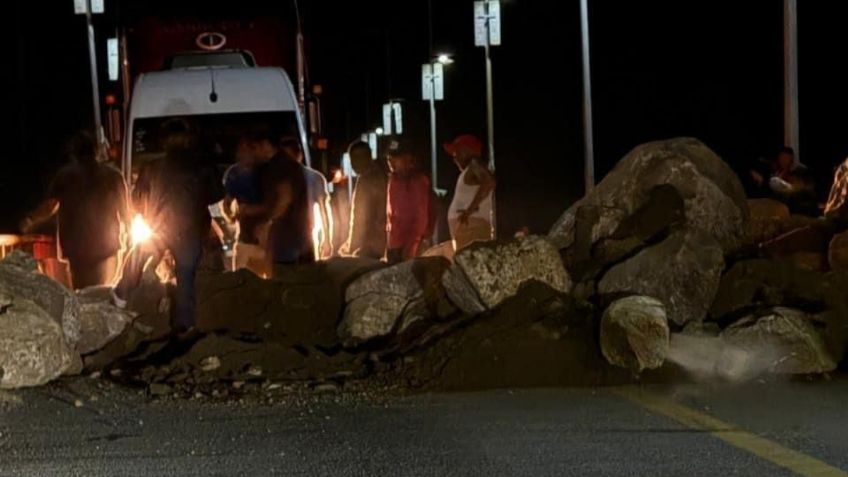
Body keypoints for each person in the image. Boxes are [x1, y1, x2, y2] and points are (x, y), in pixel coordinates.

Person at [117, 119, 223, 332]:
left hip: (159, 227)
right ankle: (185, 327)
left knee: (138, 255)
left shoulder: (152, 167)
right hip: (189, 230)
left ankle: (121, 295)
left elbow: (136, 200)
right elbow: (216, 194)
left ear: (164, 142)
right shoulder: (202, 166)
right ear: (189, 140)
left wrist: (149, 212)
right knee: (185, 277)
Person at [21, 132, 130, 289]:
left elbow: (50, 206)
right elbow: (126, 214)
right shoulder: (113, 177)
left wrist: (30, 220)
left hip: (77, 249)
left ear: (73, 154)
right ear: (96, 151)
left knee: (83, 295)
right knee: (107, 293)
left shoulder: (65, 177)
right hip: (107, 248)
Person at [243, 132, 312, 273]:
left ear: (266, 145)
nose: (254, 153)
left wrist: (267, 223)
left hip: (287, 238)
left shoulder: (280, 166)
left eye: (255, 148)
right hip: (292, 238)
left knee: (283, 280)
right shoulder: (285, 164)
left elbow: (284, 199)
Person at [279, 135, 333, 259]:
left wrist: (327, 239)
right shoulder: (277, 178)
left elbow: (324, 210)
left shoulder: (314, 177)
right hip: (281, 239)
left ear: (299, 155)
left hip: (307, 237)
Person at [221, 138, 268, 276]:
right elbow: (227, 199)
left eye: (246, 150)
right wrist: (230, 213)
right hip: (243, 230)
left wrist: (254, 210)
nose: (241, 154)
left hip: (264, 228)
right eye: (240, 150)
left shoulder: (265, 171)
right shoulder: (233, 173)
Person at [443, 134, 496, 251]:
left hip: (471, 226)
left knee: (470, 262)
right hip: (468, 226)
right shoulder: (469, 170)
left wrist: (468, 211)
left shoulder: (474, 164)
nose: (454, 157)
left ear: (466, 151)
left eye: (456, 152)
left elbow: (489, 182)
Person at [385, 139, 431, 263]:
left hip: (411, 245)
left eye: (396, 158)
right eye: (389, 158)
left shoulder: (418, 181)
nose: (391, 162)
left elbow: (421, 217)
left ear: (408, 159)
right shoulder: (393, 181)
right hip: (394, 244)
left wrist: (412, 245)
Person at [344, 140, 388, 259]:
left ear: (369, 157)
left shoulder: (369, 180)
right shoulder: (380, 174)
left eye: (359, 157)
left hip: (372, 246)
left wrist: (353, 246)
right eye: (353, 159)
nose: (355, 163)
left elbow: (362, 218)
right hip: (380, 244)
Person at [749, 146, 816, 214]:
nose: (783, 161)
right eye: (781, 158)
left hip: (795, 205)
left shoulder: (800, 172)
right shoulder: (774, 172)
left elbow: (805, 190)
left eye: (786, 158)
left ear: (791, 159)